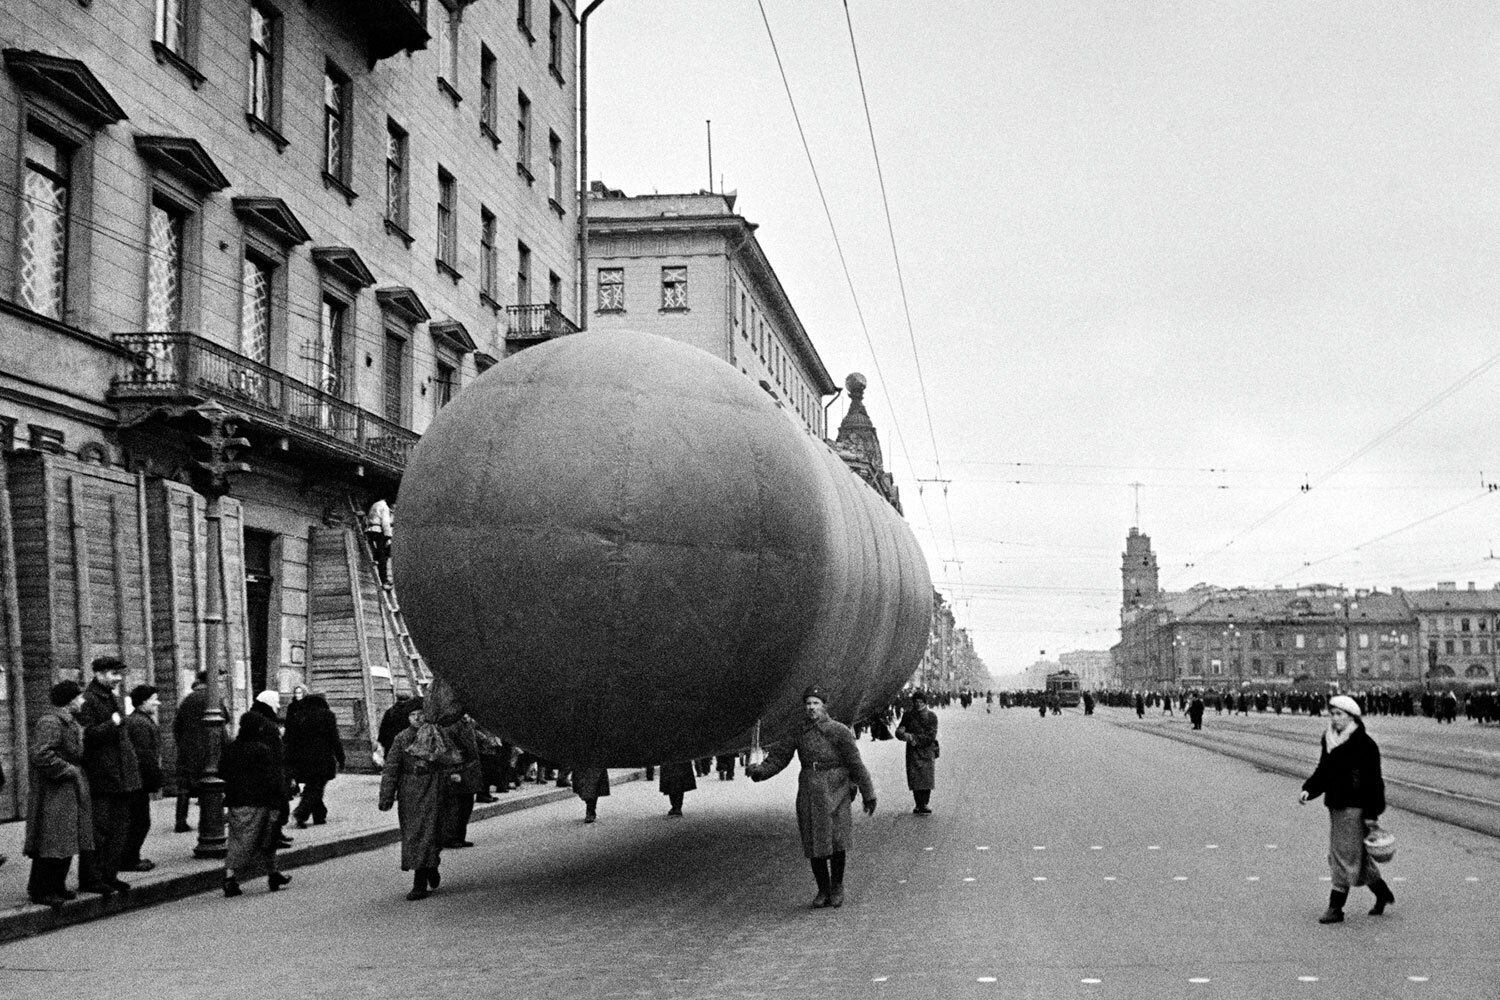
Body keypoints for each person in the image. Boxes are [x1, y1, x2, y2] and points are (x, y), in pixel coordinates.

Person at [746, 685, 877, 909]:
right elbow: (779, 757)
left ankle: (837, 886)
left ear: (824, 706)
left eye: (816, 703)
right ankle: (823, 889)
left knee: (837, 840)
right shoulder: (798, 731)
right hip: (810, 788)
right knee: (813, 839)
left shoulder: (839, 731)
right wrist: (760, 772)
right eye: (808, 704)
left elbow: (855, 763)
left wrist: (869, 794)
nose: (811, 707)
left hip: (837, 788)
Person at [1299, 694, 1394, 924]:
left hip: (1356, 806)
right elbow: (1324, 770)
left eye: (1339, 714)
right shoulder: (1329, 739)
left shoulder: (1365, 744)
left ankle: (1336, 907)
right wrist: (1309, 789)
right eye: (1332, 714)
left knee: (1342, 855)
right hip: (1336, 804)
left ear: (1352, 717)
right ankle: (1382, 893)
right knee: (1356, 855)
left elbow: (1373, 782)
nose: (1334, 718)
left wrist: (1371, 815)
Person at [379, 697, 460, 900]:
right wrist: (386, 795)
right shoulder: (402, 739)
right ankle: (421, 881)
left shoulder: (437, 734)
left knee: (435, 833)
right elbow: (391, 768)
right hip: (411, 793)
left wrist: (453, 775)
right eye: (412, 715)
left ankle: (430, 868)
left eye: (420, 714)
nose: (416, 718)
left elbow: (451, 758)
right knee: (416, 835)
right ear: (407, 718)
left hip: (436, 789)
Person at [23, 681, 91, 907]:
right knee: (52, 838)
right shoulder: (51, 722)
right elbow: (41, 755)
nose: (82, 701)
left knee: (67, 836)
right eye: (79, 697)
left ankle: (57, 885)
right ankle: (41, 889)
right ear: (70, 701)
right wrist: (68, 770)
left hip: (67, 788)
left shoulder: (69, 722)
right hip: (54, 790)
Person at [77, 656, 140, 894]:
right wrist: (114, 722)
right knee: (99, 831)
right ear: (99, 674)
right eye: (114, 674)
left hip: (120, 777)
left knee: (118, 830)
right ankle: (91, 879)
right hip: (101, 778)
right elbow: (87, 736)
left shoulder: (112, 697)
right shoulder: (88, 700)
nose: (118, 679)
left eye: (120, 674)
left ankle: (109, 876)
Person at [220, 710, 292, 897]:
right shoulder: (261, 750)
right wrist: (279, 801)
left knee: (240, 840)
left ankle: (270, 874)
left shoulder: (231, 748)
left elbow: (221, 772)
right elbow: (271, 779)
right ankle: (234, 879)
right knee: (265, 838)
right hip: (259, 802)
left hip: (236, 801)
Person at [284, 693, 344, 828]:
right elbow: (334, 738)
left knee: (314, 785)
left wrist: (289, 760)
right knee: (315, 786)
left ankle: (319, 815)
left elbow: (291, 739)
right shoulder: (327, 715)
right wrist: (341, 757)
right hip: (322, 758)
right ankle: (300, 813)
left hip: (302, 759)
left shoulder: (299, 715)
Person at [120, 685, 162, 872]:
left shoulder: (138, 720)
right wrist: (153, 781)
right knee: (139, 822)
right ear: (144, 702)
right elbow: (144, 756)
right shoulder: (140, 723)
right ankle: (129, 860)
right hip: (138, 781)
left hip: (136, 780)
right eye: (154, 699)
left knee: (137, 821)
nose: (157, 703)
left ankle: (130, 857)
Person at [172, 673, 211, 833]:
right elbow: (224, 719)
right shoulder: (211, 698)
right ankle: (206, 822)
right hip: (206, 747)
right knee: (208, 785)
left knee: (184, 787)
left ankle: (180, 821)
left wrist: (182, 743)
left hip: (187, 748)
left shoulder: (187, 700)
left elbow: (177, 725)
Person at [894, 690, 939, 815]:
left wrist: (911, 737)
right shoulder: (908, 715)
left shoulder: (931, 716)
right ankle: (919, 803)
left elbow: (931, 736)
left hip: (927, 749)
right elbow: (901, 729)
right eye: (916, 702)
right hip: (913, 751)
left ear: (925, 703)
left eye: (921, 702)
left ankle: (924, 803)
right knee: (915, 776)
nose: (918, 704)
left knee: (926, 776)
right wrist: (900, 732)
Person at [366, 498, 394, 585]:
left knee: (378, 553)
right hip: (377, 531)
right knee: (383, 556)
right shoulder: (384, 507)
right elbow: (385, 522)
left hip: (370, 530)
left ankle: (376, 559)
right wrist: (388, 536)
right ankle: (384, 580)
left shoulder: (375, 504)